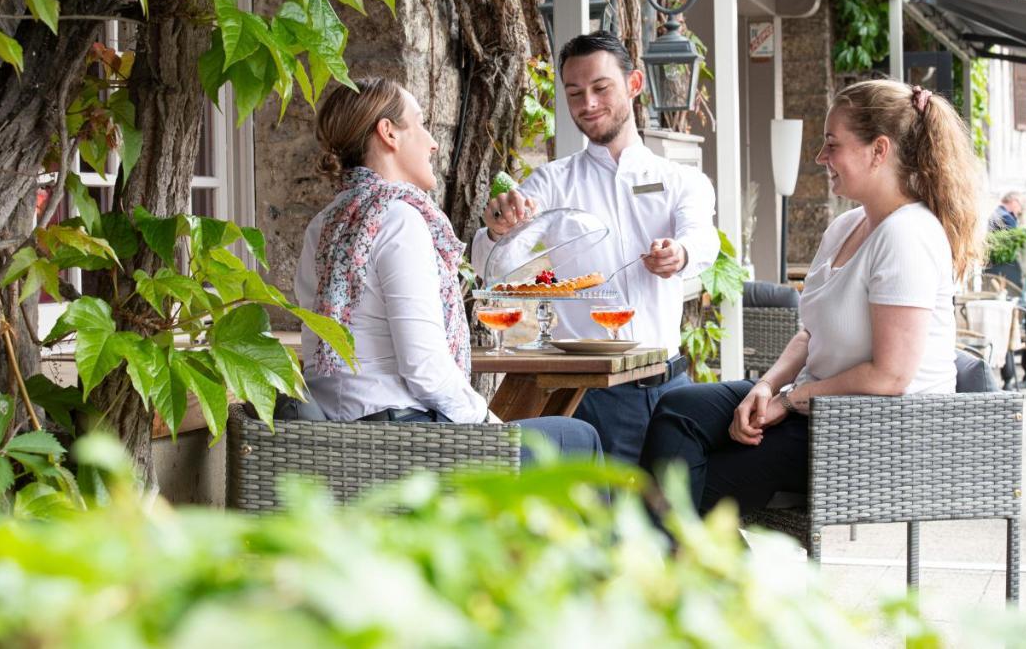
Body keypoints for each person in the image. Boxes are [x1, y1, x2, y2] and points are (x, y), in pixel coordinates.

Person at [639, 80, 979, 515]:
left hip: (879, 433)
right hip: (821, 409)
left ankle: (692, 564)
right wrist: (766, 386)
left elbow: (890, 378)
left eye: (832, 144)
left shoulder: (908, 235)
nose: (820, 158)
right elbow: (810, 333)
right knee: (679, 407)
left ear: (879, 150)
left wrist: (789, 401)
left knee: (684, 484)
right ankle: (694, 563)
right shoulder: (847, 226)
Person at [292, 77, 601, 461]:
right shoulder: (397, 219)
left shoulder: (324, 223)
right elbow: (424, 368)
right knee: (578, 438)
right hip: (406, 442)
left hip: (338, 439)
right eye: (420, 123)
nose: (433, 141)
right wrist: (488, 423)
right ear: (389, 133)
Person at [472, 32, 719, 462]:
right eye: (574, 93)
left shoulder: (681, 180)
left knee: (677, 521)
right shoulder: (552, 182)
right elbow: (496, 263)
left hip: (670, 385)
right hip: (589, 394)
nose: (588, 104)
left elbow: (703, 237)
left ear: (634, 84)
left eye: (601, 88)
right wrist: (497, 229)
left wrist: (678, 253)